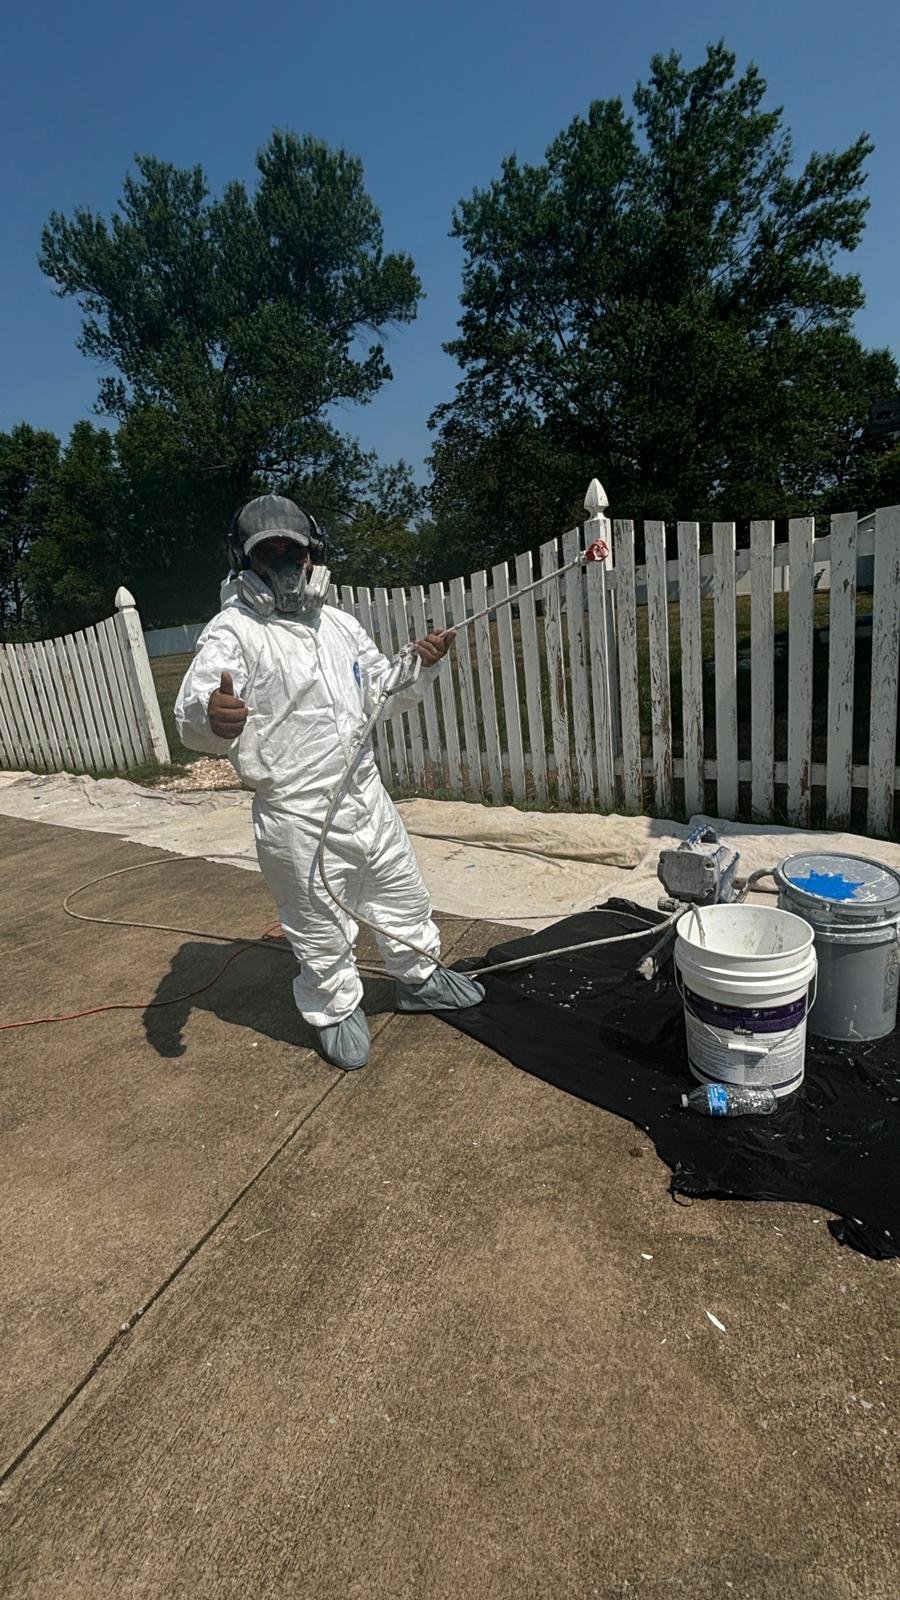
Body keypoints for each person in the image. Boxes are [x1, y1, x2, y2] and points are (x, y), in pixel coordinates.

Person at [175, 494, 484, 1070]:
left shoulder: (339, 624)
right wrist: (212, 715)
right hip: (296, 811)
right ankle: (335, 1009)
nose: (283, 562)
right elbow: (199, 702)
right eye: (267, 552)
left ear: (312, 554)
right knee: (318, 923)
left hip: (365, 792)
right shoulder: (233, 631)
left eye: (292, 550)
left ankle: (419, 979)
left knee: (401, 892)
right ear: (244, 563)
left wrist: (420, 662)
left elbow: (380, 691)